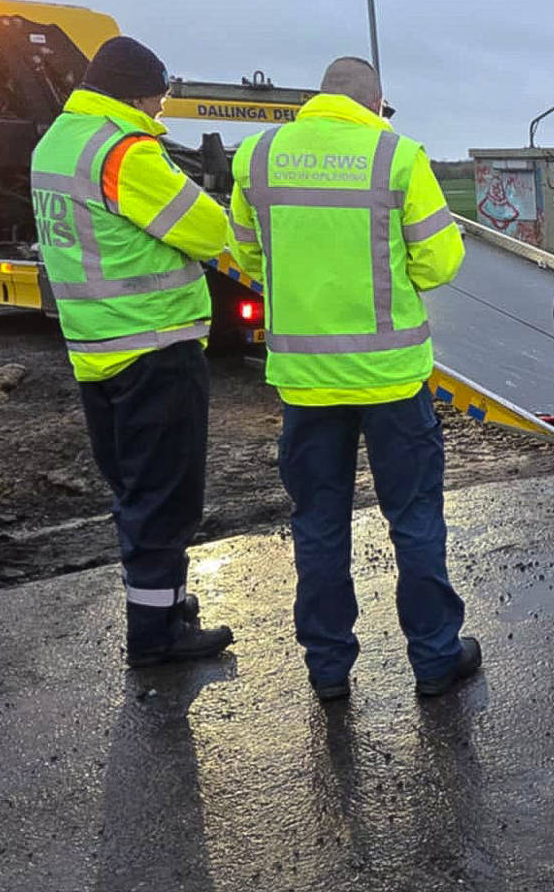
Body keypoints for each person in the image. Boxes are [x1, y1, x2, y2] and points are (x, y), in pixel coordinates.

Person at [228, 57, 481, 701]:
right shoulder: (396, 156)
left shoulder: (257, 158)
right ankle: (433, 660)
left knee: (318, 523)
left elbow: (248, 252)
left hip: (306, 383)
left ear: (321, 96)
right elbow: (440, 261)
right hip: (392, 380)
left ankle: (329, 669)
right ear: (375, 102)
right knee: (415, 519)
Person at [29, 36, 234, 668]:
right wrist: (207, 195)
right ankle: (155, 637)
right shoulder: (123, 150)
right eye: (161, 96)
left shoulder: (56, 143)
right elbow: (207, 230)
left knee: (134, 488)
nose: (163, 109)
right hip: (155, 347)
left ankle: (163, 601)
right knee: (165, 497)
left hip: (96, 349)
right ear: (137, 91)